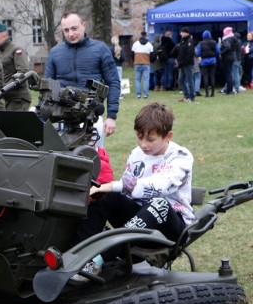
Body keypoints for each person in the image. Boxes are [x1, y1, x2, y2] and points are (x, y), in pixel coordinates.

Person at [73, 102, 195, 275]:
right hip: (140, 221)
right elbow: (127, 190)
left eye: (150, 139)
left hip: (171, 230)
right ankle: (76, 253)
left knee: (158, 204)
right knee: (105, 196)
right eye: (139, 137)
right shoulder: (136, 154)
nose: (143, 144)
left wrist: (111, 186)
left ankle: (95, 262)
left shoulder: (181, 157)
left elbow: (158, 186)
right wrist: (104, 190)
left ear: (168, 136)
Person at [45, 11, 120, 147]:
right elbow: (50, 84)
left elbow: (113, 82)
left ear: (83, 25)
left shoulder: (100, 49)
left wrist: (111, 116)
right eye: (66, 30)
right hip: (63, 118)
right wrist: (50, 107)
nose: (70, 34)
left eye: (74, 28)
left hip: (92, 117)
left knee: (93, 161)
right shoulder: (55, 53)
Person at [0, 23, 32, 110]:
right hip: (5, 98)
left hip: (18, 98)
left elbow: (23, 72)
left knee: (12, 123)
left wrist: (5, 88)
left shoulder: (17, 50)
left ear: (4, 36)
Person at [196, 30, 219, 97]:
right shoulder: (214, 42)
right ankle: (213, 93)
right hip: (213, 61)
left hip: (204, 62)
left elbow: (198, 53)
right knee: (212, 76)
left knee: (205, 77)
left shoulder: (200, 43)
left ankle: (206, 94)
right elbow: (218, 51)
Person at [174, 27, 195, 102]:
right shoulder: (182, 40)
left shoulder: (190, 41)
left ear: (186, 33)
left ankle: (192, 97)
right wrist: (179, 61)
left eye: (182, 32)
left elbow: (190, 53)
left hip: (188, 64)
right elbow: (181, 52)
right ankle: (186, 95)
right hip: (182, 64)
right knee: (181, 80)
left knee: (190, 80)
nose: (180, 34)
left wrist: (184, 61)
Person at [132, 31, 154, 99]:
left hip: (137, 63)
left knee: (137, 79)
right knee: (146, 79)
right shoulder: (149, 45)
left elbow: (132, 54)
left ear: (140, 35)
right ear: (146, 35)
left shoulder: (135, 44)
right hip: (146, 63)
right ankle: (145, 94)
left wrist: (134, 60)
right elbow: (152, 55)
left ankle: (138, 94)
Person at [220, 27, 238, 95]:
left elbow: (227, 47)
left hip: (227, 58)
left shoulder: (227, 39)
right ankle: (230, 89)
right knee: (229, 73)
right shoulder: (233, 39)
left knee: (228, 74)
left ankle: (229, 90)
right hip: (232, 57)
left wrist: (221, 53)